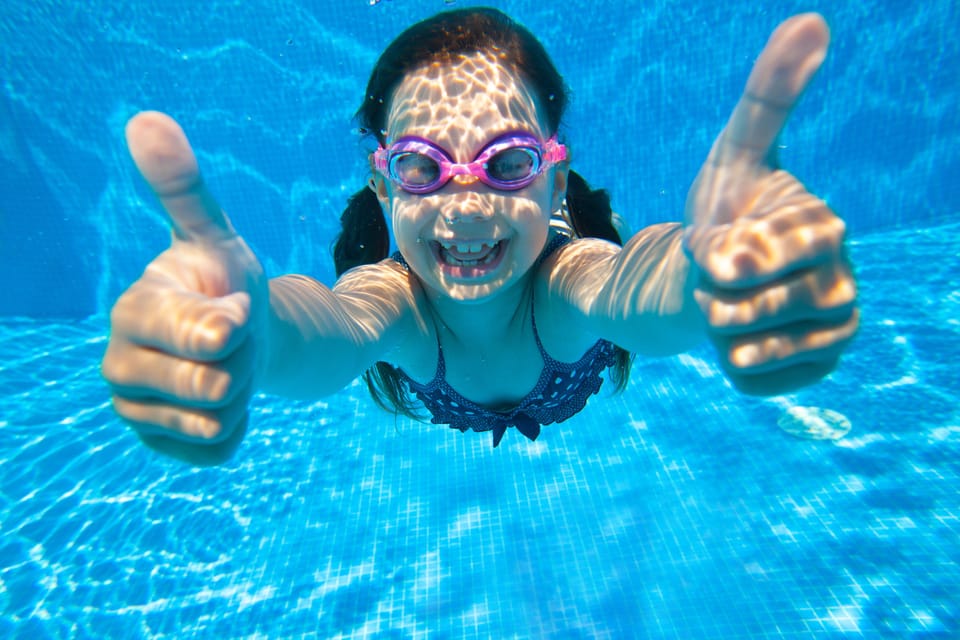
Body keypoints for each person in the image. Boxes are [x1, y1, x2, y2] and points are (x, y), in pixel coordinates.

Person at [101, 8, 858, 465]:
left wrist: (709, 271)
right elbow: (325, 326)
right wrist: (251, 329)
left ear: (554, 181)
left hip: (567, 261)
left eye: (508, 162)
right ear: (383, 186)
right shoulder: (396, 305)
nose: (464, 207)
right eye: (422, 167)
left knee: (607, 235)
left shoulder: (567, 286)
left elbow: (634, 285)